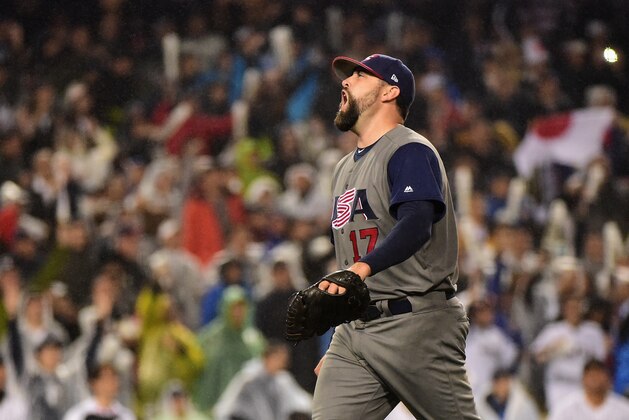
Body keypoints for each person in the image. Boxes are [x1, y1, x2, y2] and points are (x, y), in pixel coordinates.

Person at [312, 54, 479, 419]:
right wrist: (345, 336)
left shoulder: (409, 150)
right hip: (356, 331)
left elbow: (417, 222)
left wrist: (362, 268)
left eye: (359, 75)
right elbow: (345, 252)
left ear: (390, 92)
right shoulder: (343, 168)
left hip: (417, 325)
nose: (346, 81)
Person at [549, 359, 629, 420]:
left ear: (608, 378)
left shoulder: (623, 408)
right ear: (583, 379)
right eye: (591, 375)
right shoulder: (566, 407)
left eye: (599, 374)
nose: (595, 379)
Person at [62, 363, 135, 420]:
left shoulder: (125, 415)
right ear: (94, 383)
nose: (112, 383)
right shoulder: (78, 414)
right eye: (106, 378)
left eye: (114, 378)